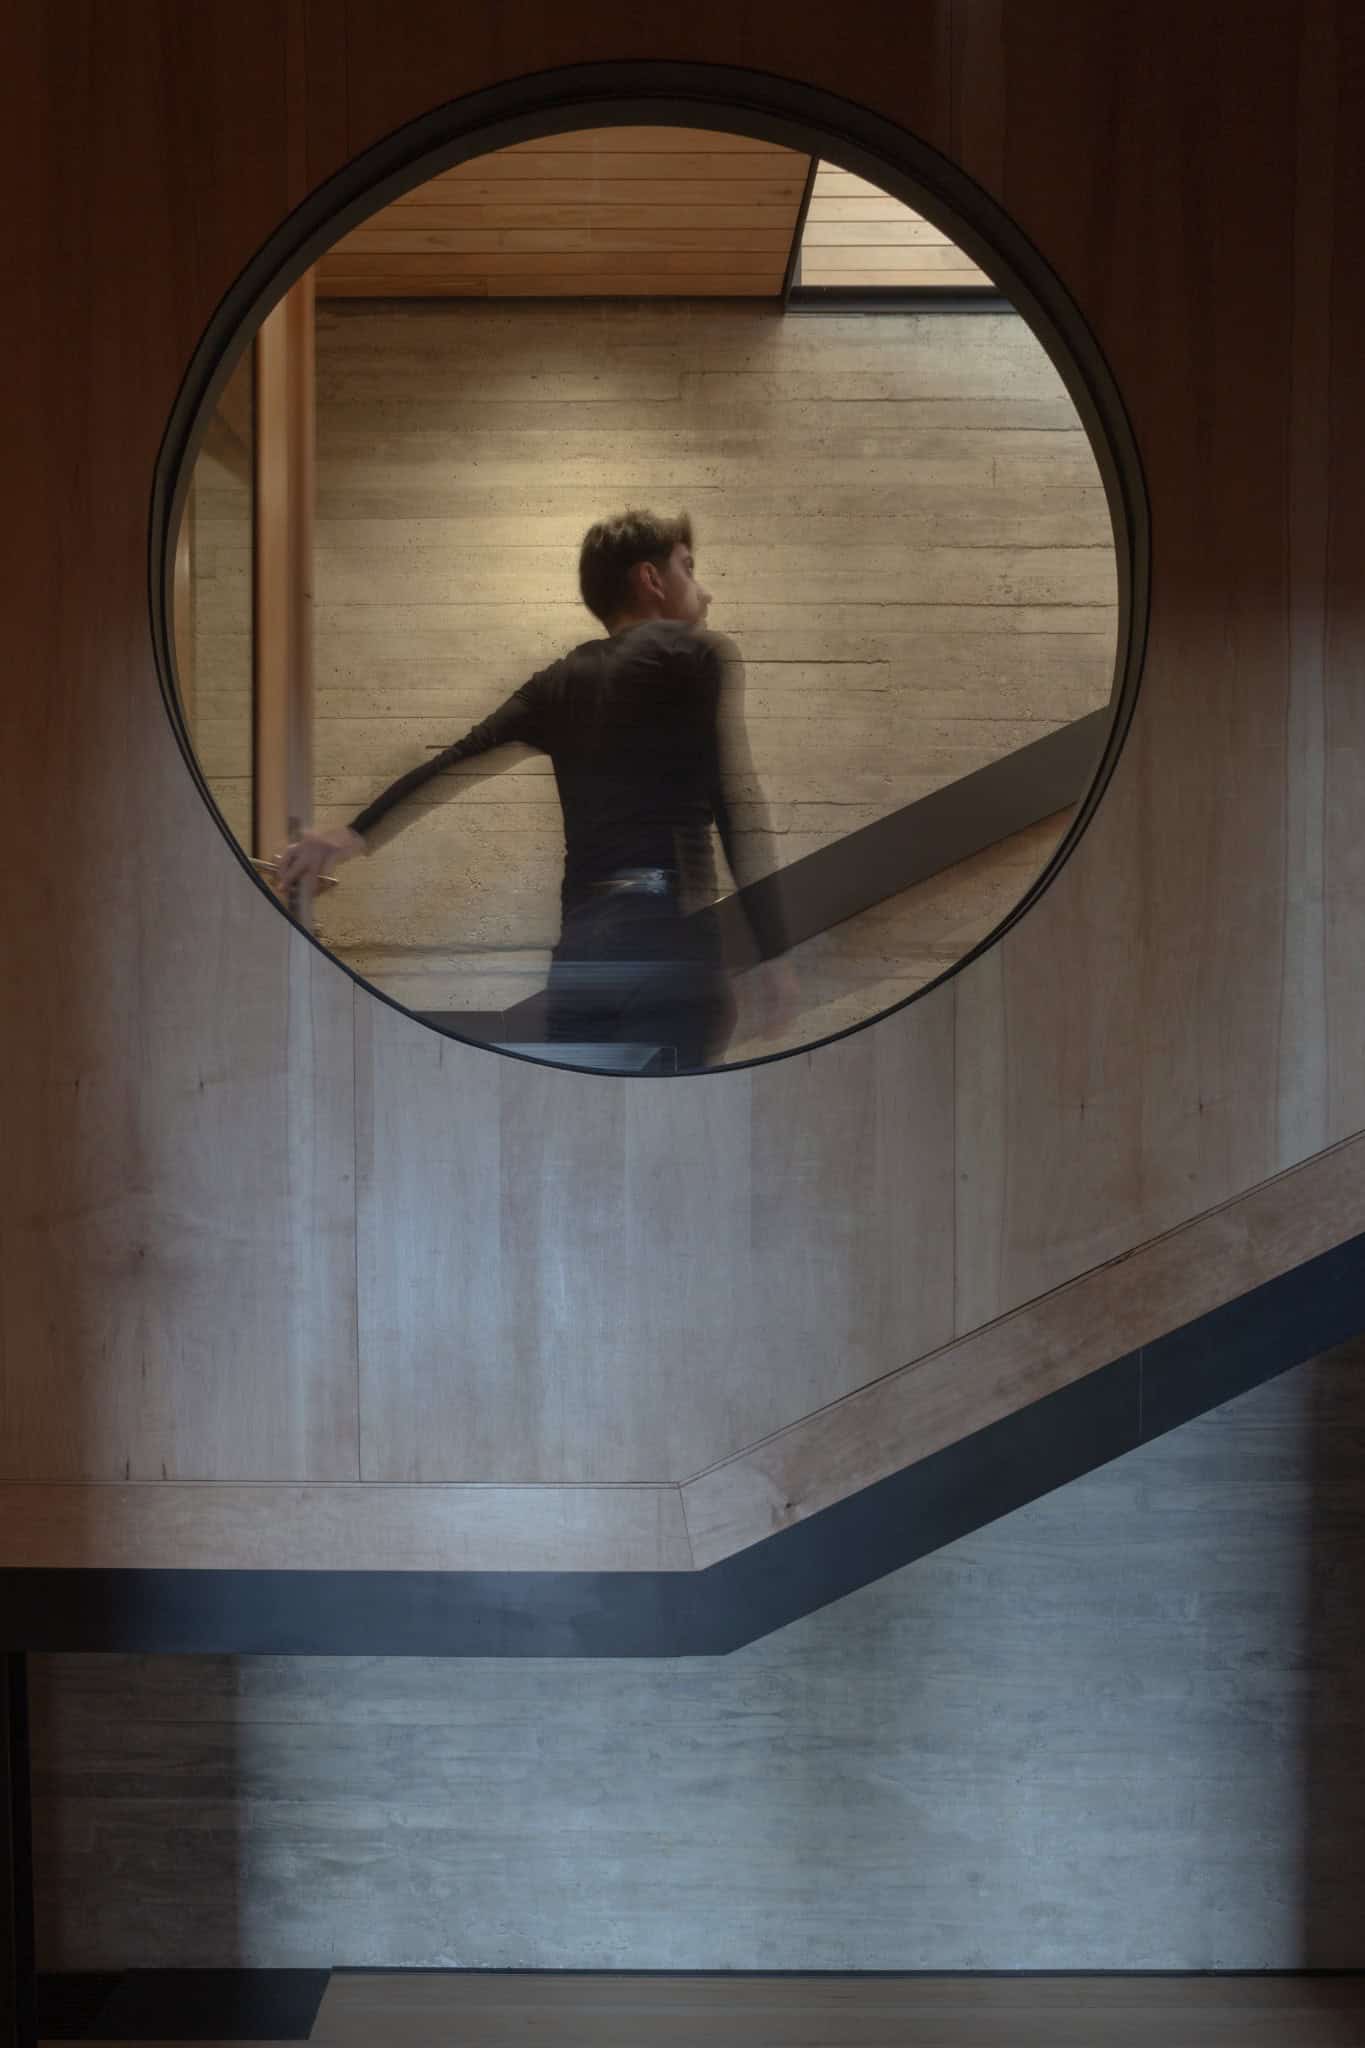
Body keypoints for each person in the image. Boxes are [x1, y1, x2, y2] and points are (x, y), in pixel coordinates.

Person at [278, 509, 796, 1070]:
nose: (705, 590)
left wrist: (351, 835)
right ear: (650, 579)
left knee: (583, 1114)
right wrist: (772, 951)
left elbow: (454, 760)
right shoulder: (695, 654)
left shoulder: (557, 682)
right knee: (670, 1116)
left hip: (584, 952)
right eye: (688, 569)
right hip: (668, 940)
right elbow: (732, 804)